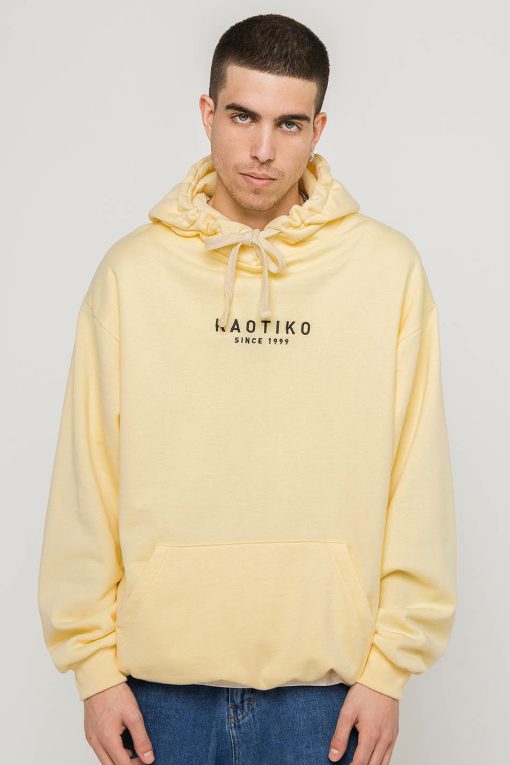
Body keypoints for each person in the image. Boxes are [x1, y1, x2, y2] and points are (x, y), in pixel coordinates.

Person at [37, 12, 457, 765]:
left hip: (327, 695)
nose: (263, 149)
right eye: (242, 116)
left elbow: (416, 476)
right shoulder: (133, 274)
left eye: (289, 123)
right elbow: (86, 476)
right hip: (156, 690)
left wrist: (389, 670)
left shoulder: (385, 271)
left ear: (318, 128)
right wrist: (93, 671)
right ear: (207, 112)